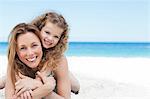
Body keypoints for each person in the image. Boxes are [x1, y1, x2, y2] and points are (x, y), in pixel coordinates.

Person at [1, 11, 80, 94]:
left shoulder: (54, 54)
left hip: (59, 74)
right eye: (47, 32)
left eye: (56, 36)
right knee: (6, 78)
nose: (50, 38)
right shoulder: (32, 39)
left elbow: (42, 75)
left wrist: (37, 84)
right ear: (39, 28)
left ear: (60, 39)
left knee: (75, 85)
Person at [5, 23, 57, 99]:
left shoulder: (56, 60)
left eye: (34, 45)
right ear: (16, 52)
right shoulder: (13, 65)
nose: (30, 53)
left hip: (65, 75)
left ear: (42, 45)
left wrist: (36, 87)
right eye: (23, 48)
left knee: (75, 85)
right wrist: (43, 87)